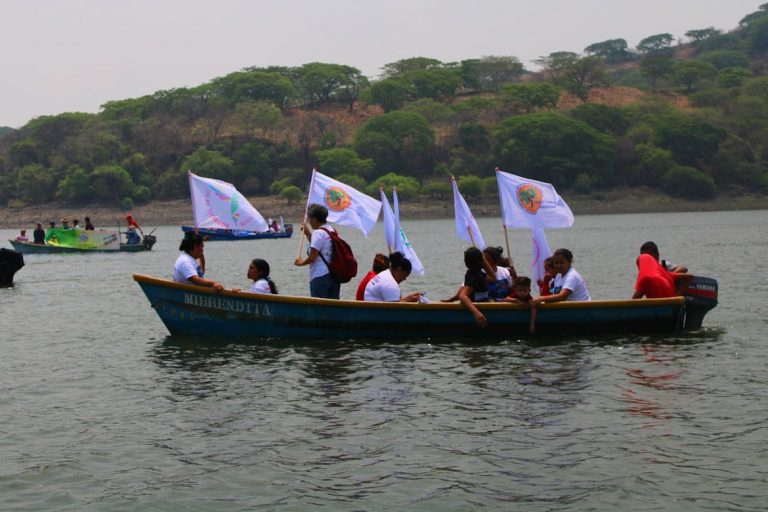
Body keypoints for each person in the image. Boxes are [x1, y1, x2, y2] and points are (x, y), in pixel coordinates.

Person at [294, 204, 340, 299]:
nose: (310, 222)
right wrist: (307, 233)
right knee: (333, 306)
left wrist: (301, 263)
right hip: (334, 275)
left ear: (314, 219)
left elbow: (312, 257)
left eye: (310, 219)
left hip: (320, 276)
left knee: (319, 306)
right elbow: (319, 246)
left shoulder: (318, 233)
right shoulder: (332, 230)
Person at [458, 247, 493, 327]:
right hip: (477, 310)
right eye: (483, 259)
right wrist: (476, 313)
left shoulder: (479, 273)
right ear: (480, 261)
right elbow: (462, 296)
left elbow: (493, 278)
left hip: (483, 303)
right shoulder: (472, 276)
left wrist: (484, 261)